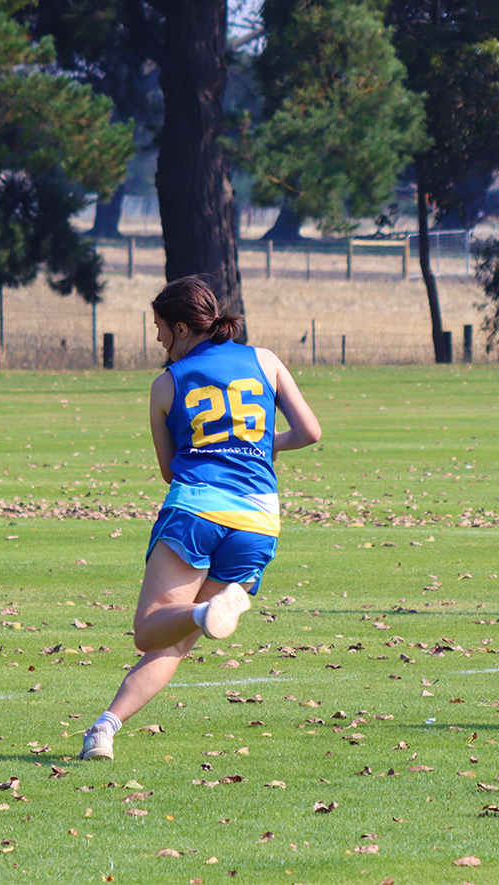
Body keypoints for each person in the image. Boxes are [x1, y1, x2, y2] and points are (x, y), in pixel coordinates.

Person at [77, 277, 322, 761]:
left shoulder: (167, 383)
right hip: (258, 518)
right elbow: (310, 431)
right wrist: (260, 446)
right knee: (174, 642)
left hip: (198, 509)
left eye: (160, 329)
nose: (158, 339)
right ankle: (104, 728)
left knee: (150, 630)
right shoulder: (266, 360)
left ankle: (202, 613)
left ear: (183, 328)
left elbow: (170, 469)